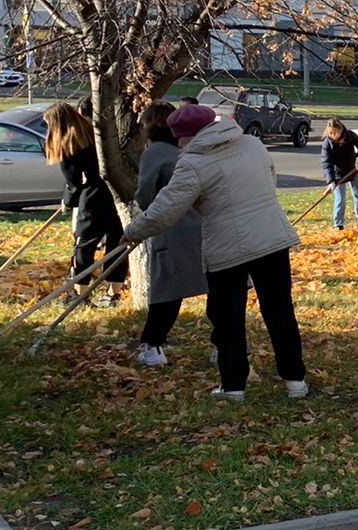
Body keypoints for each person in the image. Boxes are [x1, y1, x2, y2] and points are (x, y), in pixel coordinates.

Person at [122, 103, 309, 403]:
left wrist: (133, 232)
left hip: (226, 248)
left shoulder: (193, 162)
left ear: (190, 136)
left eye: (181, 137)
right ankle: (295, 381)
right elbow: (268, 180)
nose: (179, 143)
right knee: (280, 312)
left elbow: (165, 209)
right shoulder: (253, 144)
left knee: (228, 318)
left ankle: (234, 385)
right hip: (272, 237)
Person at [133, 102, 207, 366]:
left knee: (166, 293)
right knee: (219, 289)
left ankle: (152, 345)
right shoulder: (190, 149)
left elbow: (145, 196)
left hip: (173, 231)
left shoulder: (155, 152)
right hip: (204, 226)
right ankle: (224, 343)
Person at [42, 103, 126, 306]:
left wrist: (67, 202)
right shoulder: (94, 133)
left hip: (93, 198)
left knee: (84, 245)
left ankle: (80, 295)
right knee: (117, 244)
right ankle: (113, 294)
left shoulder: (69, 143)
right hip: (117, 193)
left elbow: (74, 183)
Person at [320, 117, 358, 229]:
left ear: (341, 130)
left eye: (335, 133)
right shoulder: (327, 144)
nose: (333, 135)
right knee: (340, 199)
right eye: (330, 133)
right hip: (339, 175)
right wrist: (331, 181)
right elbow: (326, 163)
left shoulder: (350, 136)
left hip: (353, 170)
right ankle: (338, 224)